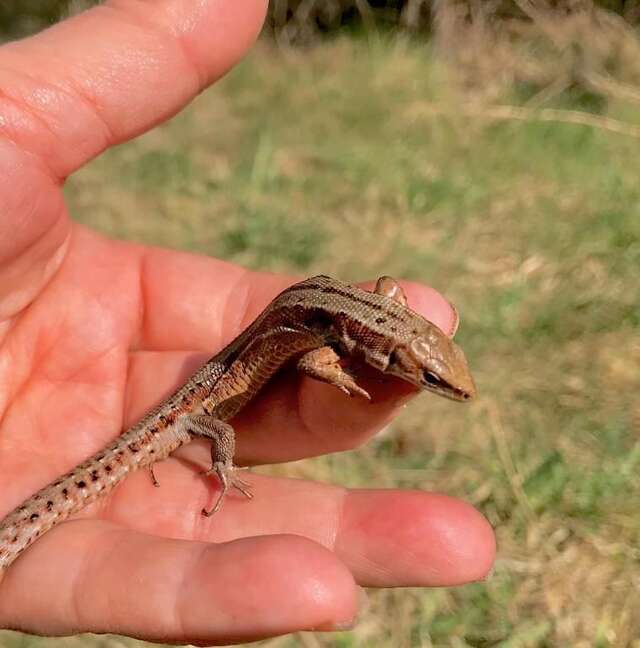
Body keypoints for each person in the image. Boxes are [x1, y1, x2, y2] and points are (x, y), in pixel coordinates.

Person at [0, 1, 495, 643]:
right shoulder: (333, 338)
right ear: (396, 356)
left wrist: (376, 343)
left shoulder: (359, 321)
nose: (439, 385)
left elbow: (385, 293)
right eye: (430, 377)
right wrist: (244, 450)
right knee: (217, 439)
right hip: (198, 405)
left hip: (274, 348)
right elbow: (319, 359)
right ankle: (201, 473)